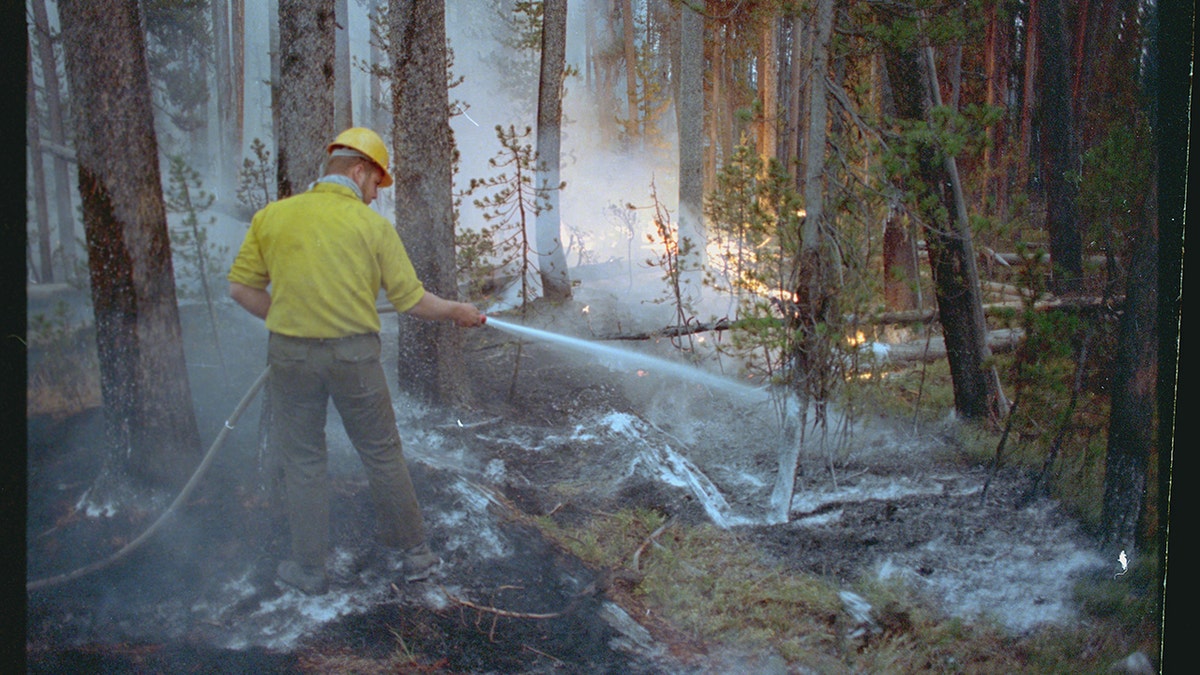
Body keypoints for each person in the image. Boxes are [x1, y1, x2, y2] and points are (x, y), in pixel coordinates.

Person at [227, 127, 485, 595]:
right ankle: (418, 557)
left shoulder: (272, 217)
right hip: (355, 357)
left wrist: (289, 318)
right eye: (374, 186)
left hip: (291, 357)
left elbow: (241, 289)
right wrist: (457, 312)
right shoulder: (372, 228)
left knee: (304, 460)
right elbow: (411, 300)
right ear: (358, 170)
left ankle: (308, 570)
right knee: (383, 453)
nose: (372, 197)